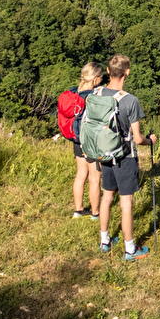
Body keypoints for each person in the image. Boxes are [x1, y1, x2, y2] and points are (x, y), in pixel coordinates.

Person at [93, 55, 157, 260]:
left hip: (103, 153)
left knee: (107, 196)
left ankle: (105, 241)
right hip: (125, 156)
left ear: (108, 71)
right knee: (126, 202)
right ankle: (130, 249)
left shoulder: (96, 93)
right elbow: (137, 139)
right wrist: (150, 140)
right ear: (127, 72)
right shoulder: (130, 100)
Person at [59, 62, 104, 219]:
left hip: (77, 139)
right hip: (91, 140)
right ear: (95, 78)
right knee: (95, 177)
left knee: (80, 174)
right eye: (101, 77)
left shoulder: (74, 92)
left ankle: (78, 210)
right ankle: (95, 212)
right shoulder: (94, 96)